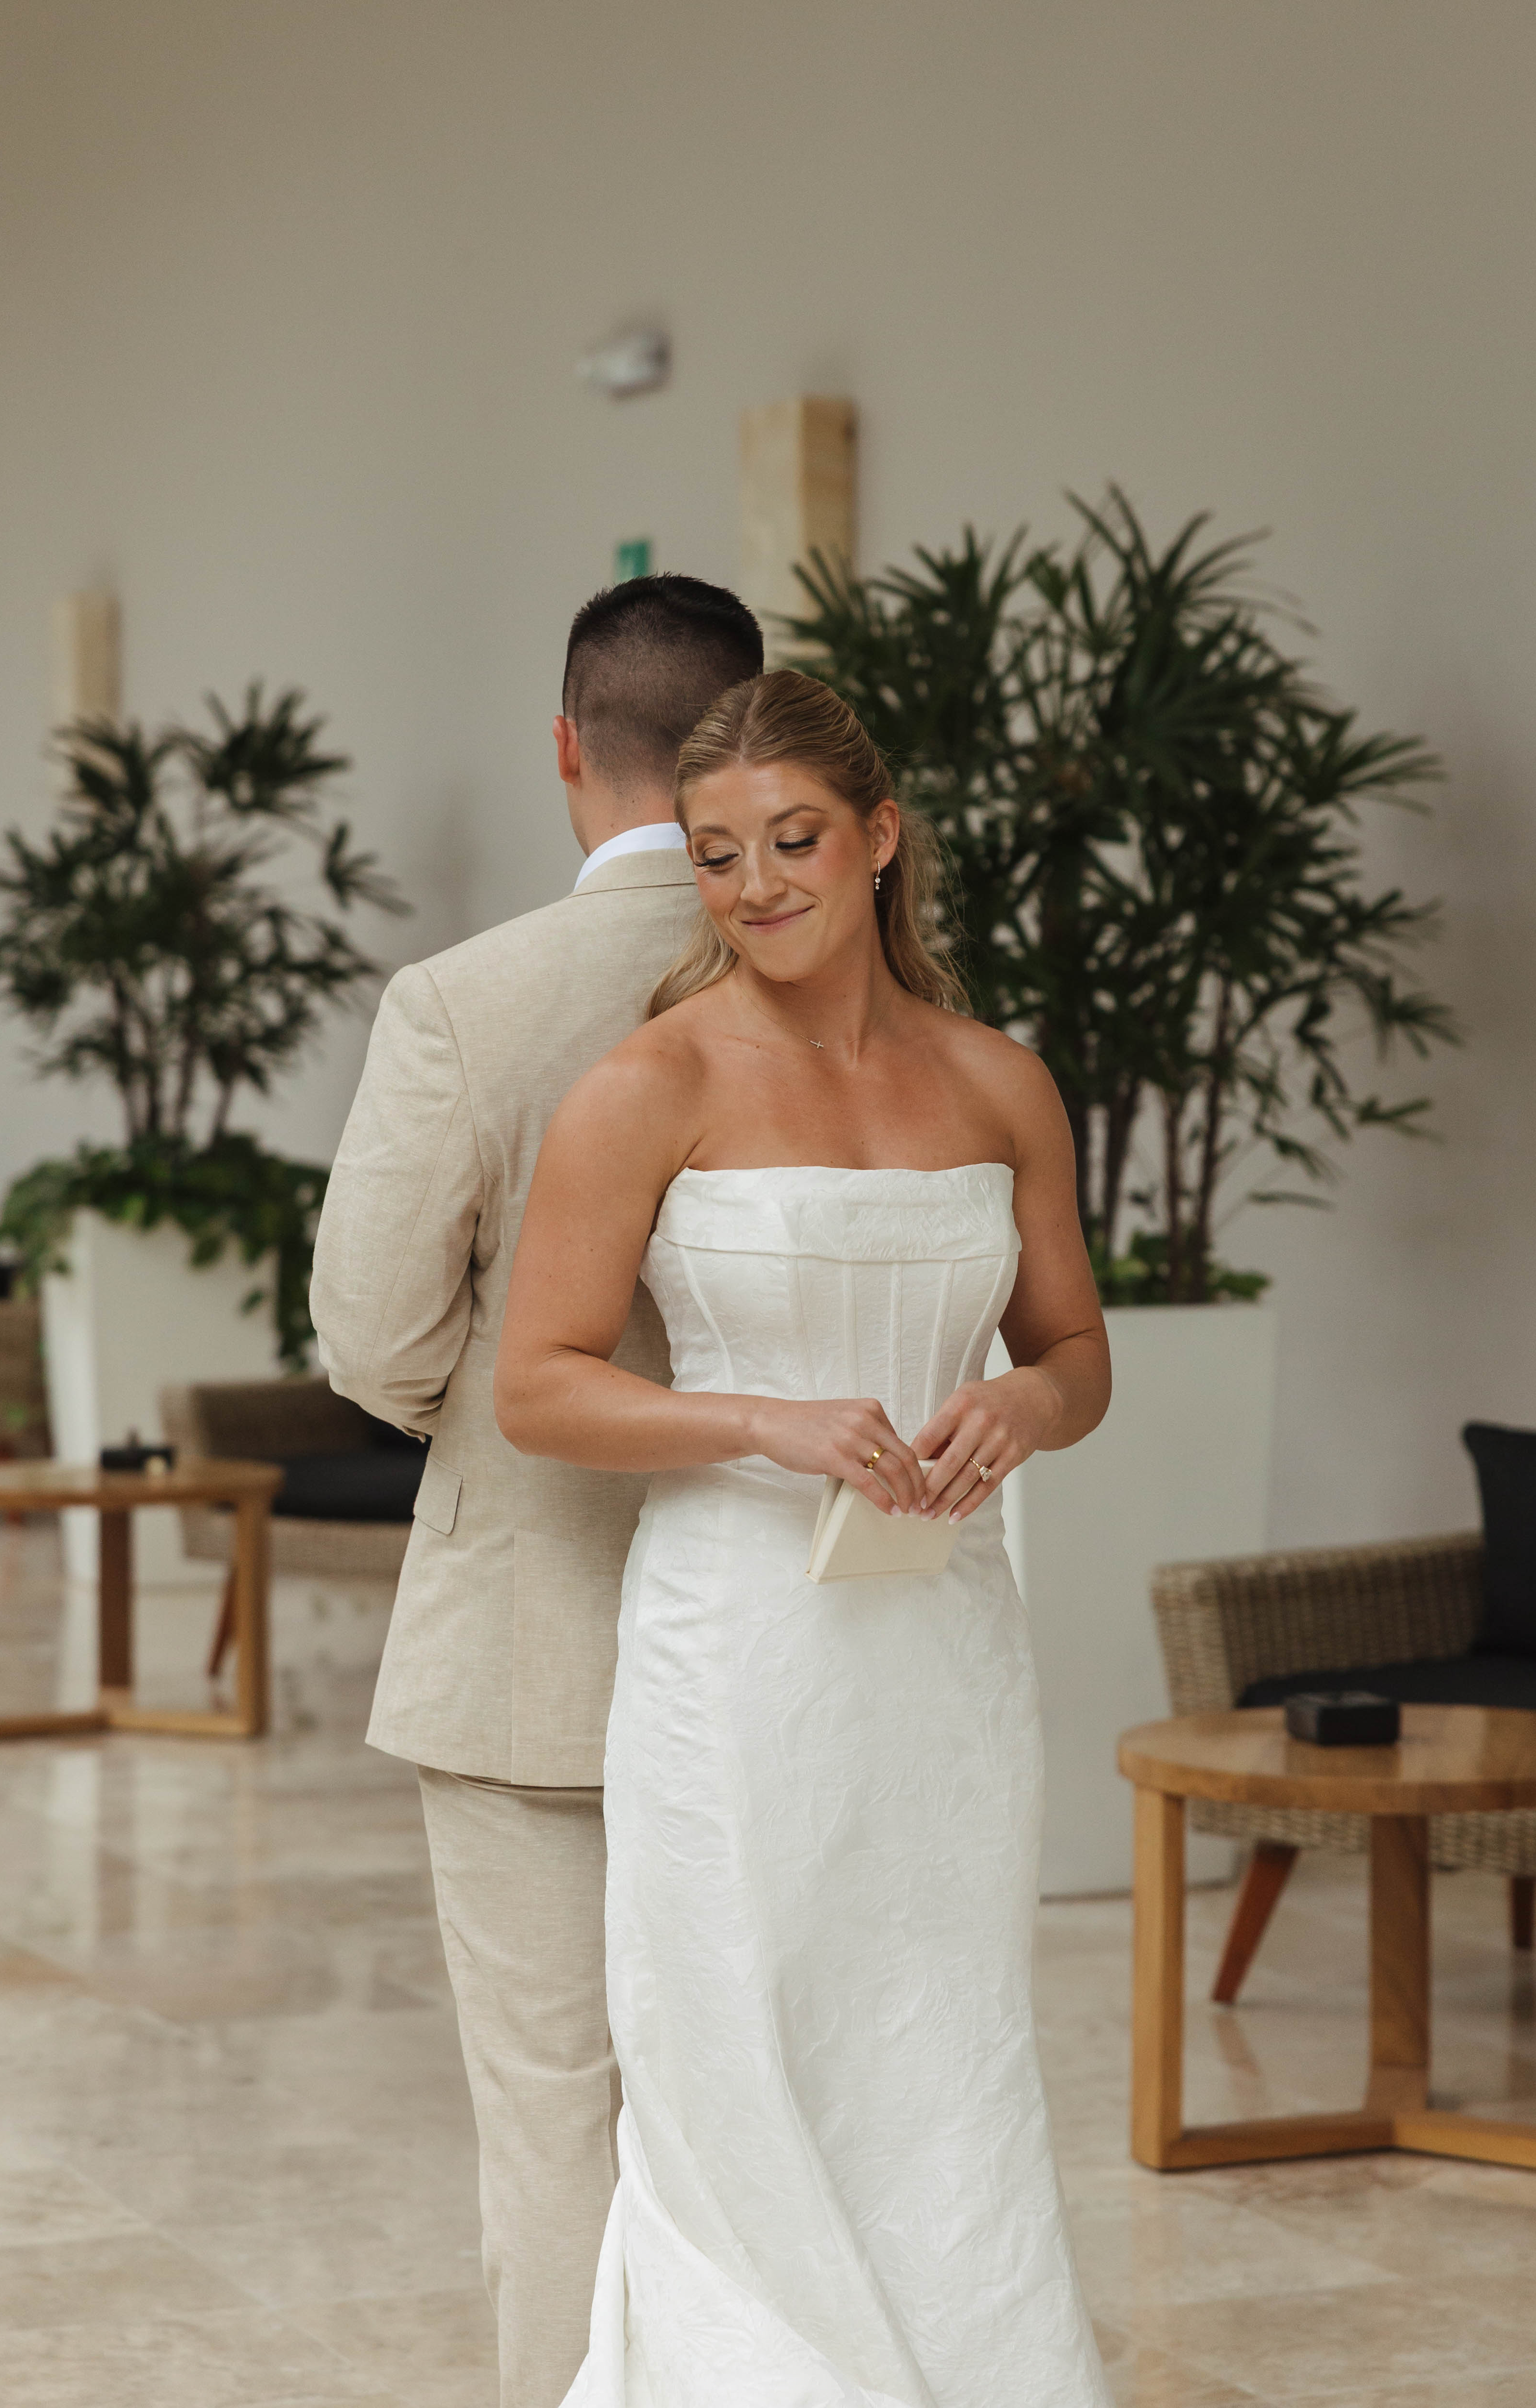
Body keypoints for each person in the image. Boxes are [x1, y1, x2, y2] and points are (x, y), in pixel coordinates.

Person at [494, 668, 1115, 2407]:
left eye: (792, 841)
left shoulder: (1002, 1087)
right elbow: (539, 1387)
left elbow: (1078, 1358)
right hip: (737, 1648)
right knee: (734, 2044)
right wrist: (760, 1419)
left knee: (938, 2043)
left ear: (879, 837)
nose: (758, 885)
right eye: (714, 856)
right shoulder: (652, 1082)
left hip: (944, 1647)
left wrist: (1022, 1410)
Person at [309, 575, 765, 2408]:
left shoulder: (466, 1002)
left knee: (555, 2124)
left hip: (532, 1641)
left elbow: (369, 1335)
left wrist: (498, 1421)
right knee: (756, 2114)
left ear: (568, 745)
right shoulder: (835, 989)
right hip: (781, 1628)